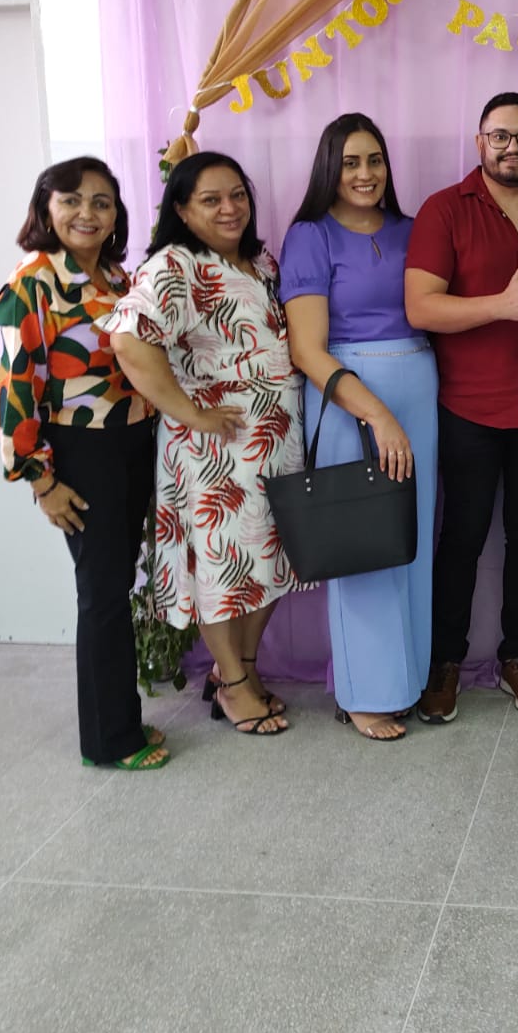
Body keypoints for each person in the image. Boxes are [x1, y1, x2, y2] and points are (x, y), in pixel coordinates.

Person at [103, 152, 304, 736]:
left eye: (237, 195)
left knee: (269, 562)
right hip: (216, 450)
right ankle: (235, 686)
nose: (229, 208)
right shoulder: (175, 264)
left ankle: (239, 670)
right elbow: (128, 339)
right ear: (183, 210)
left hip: (275, 439)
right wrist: (190, 411)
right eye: (211, 200)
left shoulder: (260, 260)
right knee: (222, 565)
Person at [405, 92, 518, 723]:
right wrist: (500, 307)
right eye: (501, 136)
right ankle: (445, 663)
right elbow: (421, 308)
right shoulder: (444, 209)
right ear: (480, 142)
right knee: (460, 538)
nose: (514, 147)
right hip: (468, 409)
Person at [0, 158, 168, 770]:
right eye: (71, 200)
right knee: (102, 592)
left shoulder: (117, 278)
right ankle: (110, 740)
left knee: (114, 584)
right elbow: (13, 388)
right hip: (81, 451)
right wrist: (41, 480)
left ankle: (120, 720)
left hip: (133, 441)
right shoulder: (30, 284)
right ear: (46, 208)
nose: (87, 213)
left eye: (101, 202)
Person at [279, 113, 437, 741]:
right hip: (350, 400)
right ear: (329, 169)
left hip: (420, 392)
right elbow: (306, 349)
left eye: (375, 160)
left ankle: (408, 680)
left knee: (410, 539)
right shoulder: (309, 236)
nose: (366, 173)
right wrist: (376, 413)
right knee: (364, 543)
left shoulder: (414, 230)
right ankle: (365, 693)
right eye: (350, 162)